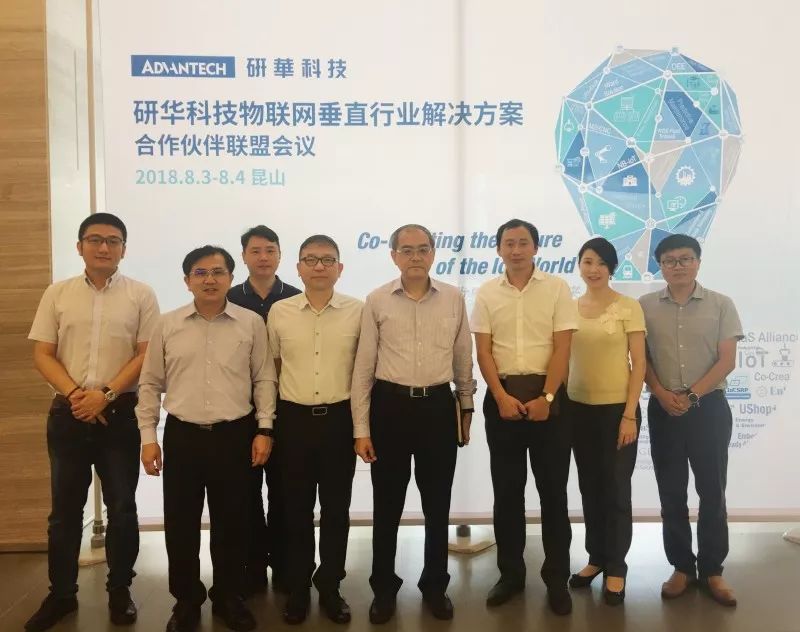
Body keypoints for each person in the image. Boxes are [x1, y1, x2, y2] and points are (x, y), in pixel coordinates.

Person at [25, 213, 159, 631]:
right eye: (95, 239)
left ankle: (120, 591)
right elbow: (43, 352)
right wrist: (76, 395)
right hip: (68, 413)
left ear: (124, 248)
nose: (104, 247)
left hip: (119, 414)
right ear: (79, 246)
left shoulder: (141, 295)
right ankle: (61, 595)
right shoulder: (58, 293)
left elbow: (146, 354)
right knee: (64, 513)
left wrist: (106, 394)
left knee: (122, 507)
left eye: (113, 241)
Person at [137, 246, 277, 632]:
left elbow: (264, 378)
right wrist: (148, 436)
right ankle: (185, 600)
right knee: (180, 522)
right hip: (183, 435)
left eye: (218, 272)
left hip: (235, 434)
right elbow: (150, 383)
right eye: (200, 273)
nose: (210, 279)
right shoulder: (167, 325)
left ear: (231, 278)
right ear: (187, 281)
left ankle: (229, 597)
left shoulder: (251, 323)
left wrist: (264, 428)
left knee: (233, 521)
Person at [351, 224, 475, 624]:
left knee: (437, 504)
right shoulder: (377, 300)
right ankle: (384, 588)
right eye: (407, 250)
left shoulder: (453, 298)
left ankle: (435, 585)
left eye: (423, 249)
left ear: (434, 253)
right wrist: (361, 429)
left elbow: (463, 358)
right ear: (394, 256)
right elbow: (363, 368)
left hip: (438, 408)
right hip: (389, 408)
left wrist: (466, 409)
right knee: (387, 504)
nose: (415, 256)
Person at [471, 218, 577, 615]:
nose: (516, 250)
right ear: (499, 249)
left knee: (553, 493)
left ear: (535, 247)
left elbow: (562, 348)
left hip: (549, 400)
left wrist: (547, 396)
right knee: (508, 493)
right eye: (508, 243)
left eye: (523, 242)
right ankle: (511, 575)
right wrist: (499, 396)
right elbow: (483, 351)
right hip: (502, 400)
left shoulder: (557, 288)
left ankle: (557, 578)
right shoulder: (487, 292)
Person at [640, 233, 743, 608]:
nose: (678, 266)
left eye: (685, 259)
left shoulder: (721, 304)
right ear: (660, 266)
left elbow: (727, 360)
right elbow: (640, 358)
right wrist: (660, 392)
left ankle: (713, 569)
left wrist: (692, 395)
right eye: (669, 261)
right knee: (671, 492)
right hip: (663, 407)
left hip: (708, 408)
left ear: (698, 262)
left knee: (713, 490)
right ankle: (681, 566)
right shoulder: (644, 306)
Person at [267, 234, 363, 624]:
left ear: (340, 268)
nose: (319, 266)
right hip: (293, 421)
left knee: (337, 509)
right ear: (298, 268)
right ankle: (298, 588)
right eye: (311, 259)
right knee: (296, 509)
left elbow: (363, 373)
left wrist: (361, 428)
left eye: (327, 259)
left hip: (339, 420)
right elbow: (273, 369)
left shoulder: (358, 311)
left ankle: (330, 586)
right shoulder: (280, 312)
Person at [566, 237, 646, 606]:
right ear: (579, 266)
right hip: (578, 410)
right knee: (590, 488)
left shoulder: (628, 307)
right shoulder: (569, 308)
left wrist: (629, 414)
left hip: (618, 411)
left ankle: (616, 566)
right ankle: (596, 557)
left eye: (601, 262)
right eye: (587, 261)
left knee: (616, 490)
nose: (593, 269)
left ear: (612, 268)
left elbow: (639, 364)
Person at [227, 224, 300, 595]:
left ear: (280, 255)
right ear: (243, 256)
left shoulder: (298, 298)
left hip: (289, 410)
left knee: (286, 493)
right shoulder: (227, 298)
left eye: (270, 250)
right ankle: (252, 568)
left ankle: (286, 567)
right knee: (245, 494)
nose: (263, 257)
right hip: (240, 411)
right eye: (255, 251)